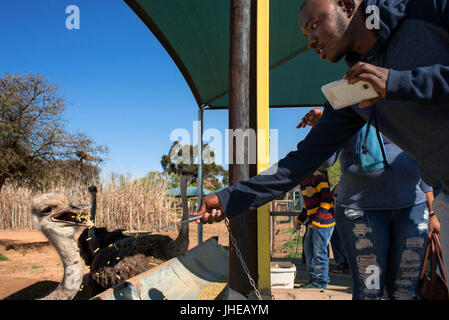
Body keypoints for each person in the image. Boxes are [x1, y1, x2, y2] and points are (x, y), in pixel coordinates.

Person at [194, 0, 449, 280]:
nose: (310, 41)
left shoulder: (425, 9)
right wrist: (229, 198)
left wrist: (399, 83)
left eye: (314, 26)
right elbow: (300, 163)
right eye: (306, 34)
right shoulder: (353, 91)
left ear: (346, 5)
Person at [298, 108, 436, 299]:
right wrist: (322, 126)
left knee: (405, 290)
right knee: (369, 290)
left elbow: (421, 162)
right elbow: (325, 162)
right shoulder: (347, 112)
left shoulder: (406, 108)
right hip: (361, 211)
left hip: (412, 209)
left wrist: (432, 211)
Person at [294, 170, 335, 289]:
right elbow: (307, 206)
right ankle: (313, 280)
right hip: (313, 223)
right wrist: (299, 220)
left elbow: (327, 200)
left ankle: (321, 282)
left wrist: (318, 219)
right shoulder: (303, 182)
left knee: (319, 252)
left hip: (323, 222)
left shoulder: (318, 178)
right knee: (309, 251)